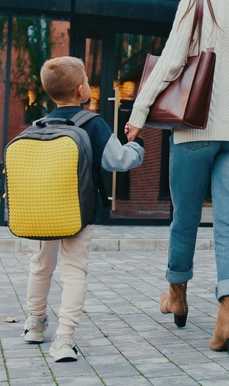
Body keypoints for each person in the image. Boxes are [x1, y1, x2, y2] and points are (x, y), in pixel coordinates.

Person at [125, 0, 229, 358]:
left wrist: (139, 115)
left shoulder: (195, 5)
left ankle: (177, 294)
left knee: (185, 215)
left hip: (195, 132)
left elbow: (169, 64)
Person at [22, 56, 145, 362]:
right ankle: (64, 339)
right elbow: (119, 161)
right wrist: (137, 145)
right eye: (88, 80)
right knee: (74, 272)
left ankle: (35, 324)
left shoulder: (40, 125)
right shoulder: (93, 124)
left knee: (41, 266)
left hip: (42, 211)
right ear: (81, 90)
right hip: (79, 213)